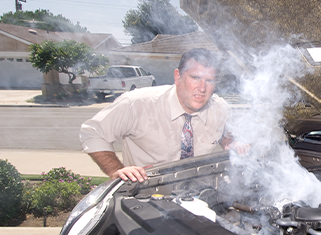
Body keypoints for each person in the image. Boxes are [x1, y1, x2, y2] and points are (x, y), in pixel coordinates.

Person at [80, 48, 246, 183]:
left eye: (210, 81)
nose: (202, 88)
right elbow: (93, 132)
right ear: (177, 76)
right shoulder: (137, 103)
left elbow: (226, 134)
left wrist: (230, 143)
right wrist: (116, 170)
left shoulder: (219, 108)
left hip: (200, 194)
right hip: (147, 194)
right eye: (195, 78)